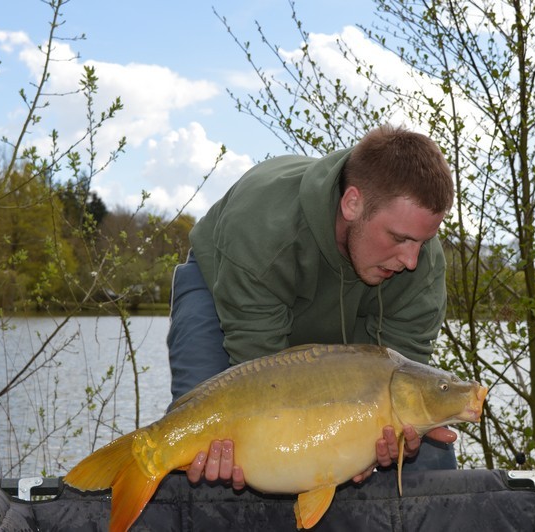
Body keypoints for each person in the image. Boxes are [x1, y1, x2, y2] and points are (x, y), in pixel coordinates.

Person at [166, 124, 456, 490]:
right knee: (204, 445)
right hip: (225, 292)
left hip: (349, 328)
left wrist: (370, 442)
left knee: (426, 452)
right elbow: (262, 388)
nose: (411, 260)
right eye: (399, 238)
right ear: (352, 204)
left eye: (423, 241)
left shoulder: (422, 271)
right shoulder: (264, 228)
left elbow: (398, 382)